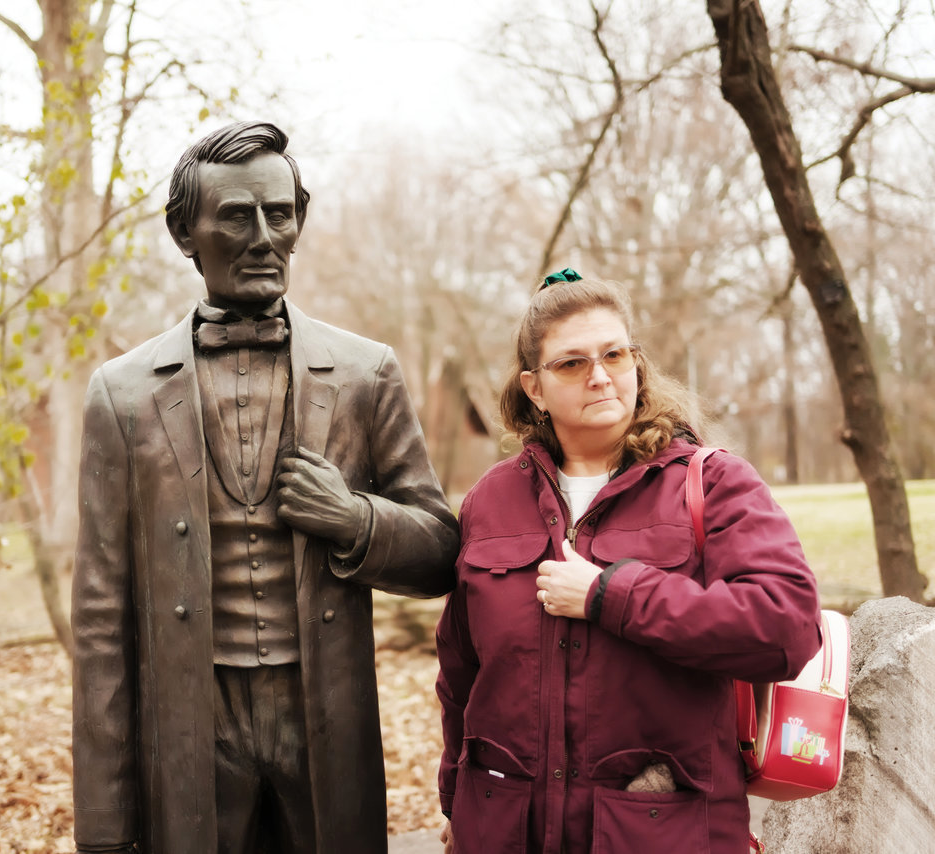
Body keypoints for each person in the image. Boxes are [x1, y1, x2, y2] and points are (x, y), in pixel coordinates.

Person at [71, 120, 459, 854]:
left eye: (279, 214)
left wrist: (355, 520)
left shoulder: (363, 373)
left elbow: (442, 551)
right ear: (186, 233)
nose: (262, 237)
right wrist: (103, 824)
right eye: (235, 216)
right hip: (191, 725)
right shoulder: (120, 396)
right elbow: (99, 620)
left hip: (326, 718)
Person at [435, 271, 821, 853]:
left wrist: (609, 595)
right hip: (505, 830)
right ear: (533, 387)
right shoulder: (490, 500)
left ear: (636, 364)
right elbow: (460, 673)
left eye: (614, 354)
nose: (599, 375)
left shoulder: (711, 482)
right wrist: (455, 800)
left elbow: (787, 626)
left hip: (663, 829)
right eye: (571, 363)